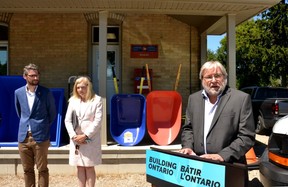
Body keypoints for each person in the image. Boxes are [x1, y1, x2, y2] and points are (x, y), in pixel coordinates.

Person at [179, 61, 255, 164]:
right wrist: (188, 146)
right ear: (202, 79)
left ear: (225, 77)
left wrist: (222, 156)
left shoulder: (241, 99)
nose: (213, 80)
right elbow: (188, 128)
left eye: (217, 76)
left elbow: (247, 136)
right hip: (199, 165)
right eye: (209, 77)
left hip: (229, 166)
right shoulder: (193, 99)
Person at [14, 63, 57, 187]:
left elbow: (52, 113)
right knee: (27, 170)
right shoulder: (18, 93)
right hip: (23, 137)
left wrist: (42, 126)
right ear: (25, 76)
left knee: (42, 169)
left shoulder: (46, 92)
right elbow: (20, 113)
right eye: (32, 76)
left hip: (41, 137)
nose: (36, 78)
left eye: (37, 75)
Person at [64, 76, 103, 187]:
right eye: (78, 87)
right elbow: (67, 120)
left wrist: (85, 135)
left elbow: (98, 121)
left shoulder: (97, 100)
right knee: (79, 166)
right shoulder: (72, 101)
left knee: (89, 166)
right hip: (76, 139)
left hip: (91, 138)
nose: (80, 90)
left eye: (82, 87)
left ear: (88, 87)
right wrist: (73, 136)